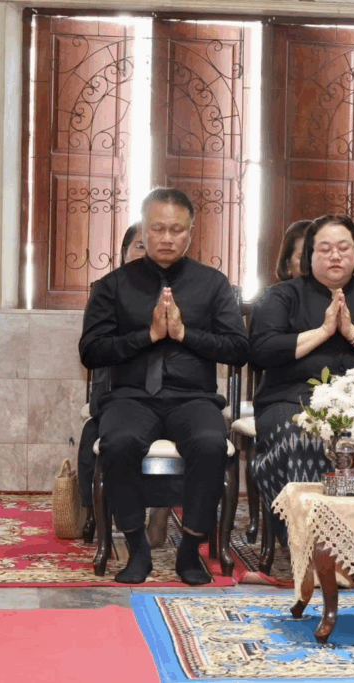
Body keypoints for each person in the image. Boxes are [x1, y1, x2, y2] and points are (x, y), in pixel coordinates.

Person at [79, 188, 249, 585]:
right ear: (143, 230)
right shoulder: (113, 286)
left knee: (210, 443)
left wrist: (185, 334)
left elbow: (238, 349)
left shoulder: (213, 285)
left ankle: (191, 550)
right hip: (130, 397)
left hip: (192, 398)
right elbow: (91, 351)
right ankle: (136, 549)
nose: (168, 238)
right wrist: (149, 335)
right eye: (158, 229)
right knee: (118, 442)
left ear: (191, 233)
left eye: (177, 229)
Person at [249, 214, 354, 543]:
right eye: (324, 249)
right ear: (309, 255)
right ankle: (310, 543)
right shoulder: (282, 296)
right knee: (303, 438)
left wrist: (352, 333)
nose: (335, 256)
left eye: (343, 248)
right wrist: (324, 331)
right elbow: (261, 351)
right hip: (289, 400)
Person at [77, 223, 146, 542]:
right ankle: (94, 512)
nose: (146, 253)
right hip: (116, 395)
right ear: (123, 254)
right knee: (97, 430)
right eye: (139, 246)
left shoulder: (178, 296)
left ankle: (158, 509)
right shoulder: (107, 294)